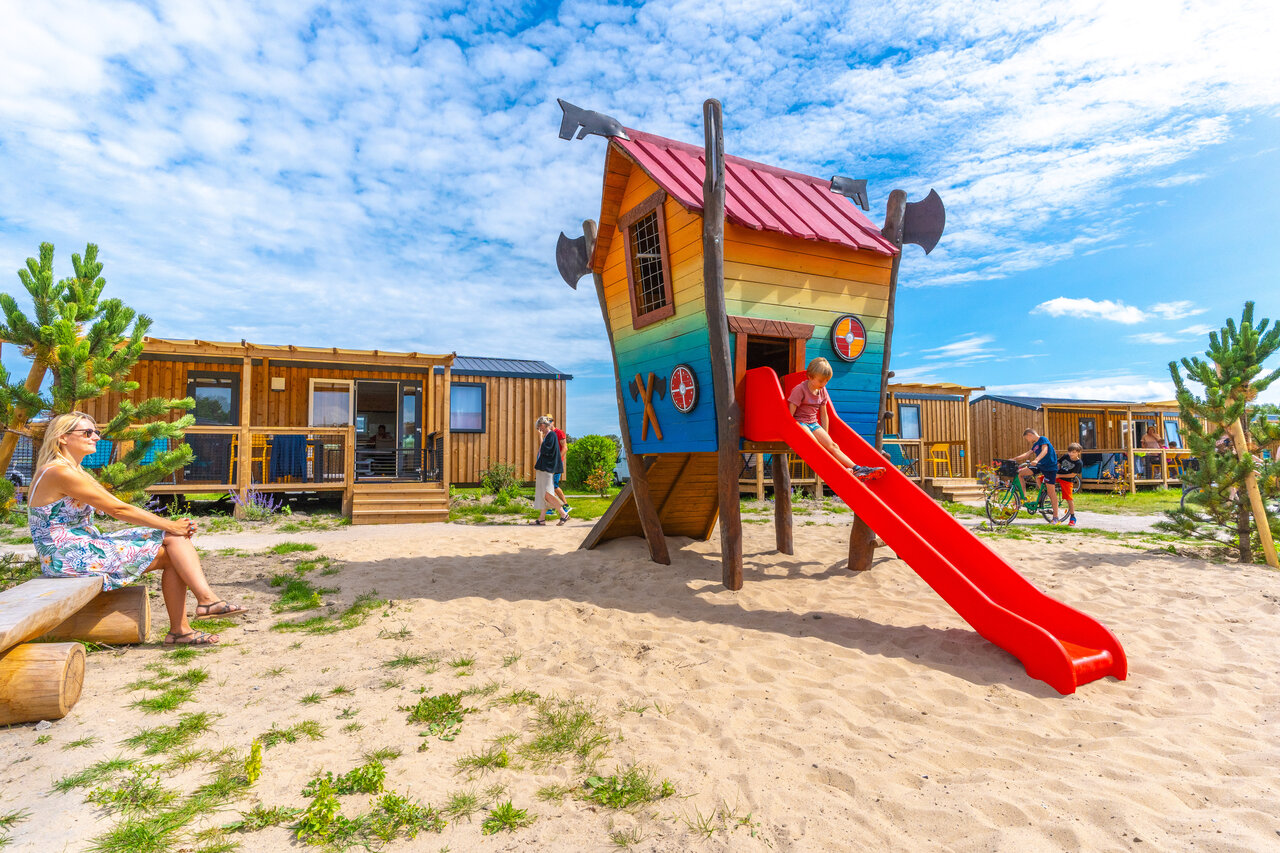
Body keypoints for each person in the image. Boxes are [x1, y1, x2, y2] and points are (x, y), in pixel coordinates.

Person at [28, 412, 247, 646]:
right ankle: (194, 615)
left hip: (81, 546)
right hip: (66, 556)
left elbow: (115, 505)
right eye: (87, 432)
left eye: (96, 432)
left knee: (174, 542)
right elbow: (118, 510)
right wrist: (170, 525)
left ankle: (198, 611)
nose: (96, 438)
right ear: (62, 438)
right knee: (173, 547)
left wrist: (171, 528)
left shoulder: (74, 470)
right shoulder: (58, 471)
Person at [787, 357, 884, 481]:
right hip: (800, 423)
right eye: (821, 381)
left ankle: (857, 468)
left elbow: (824, 414)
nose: (824, 384)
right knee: (815, 446)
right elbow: (790, 415)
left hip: (813, 423)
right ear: (810, 377)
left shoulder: (822, 391)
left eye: (826, 381)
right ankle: (841, 469)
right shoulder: (799, 390)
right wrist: (793, 430)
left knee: (833, 445)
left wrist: (825, 434)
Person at [1012, 428, 1062, 523]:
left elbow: (1045, 450)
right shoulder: (1035, 445)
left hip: (1050, 467)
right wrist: (1014, 459)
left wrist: (1036, 460)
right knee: (1020, 473)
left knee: (1051, 492)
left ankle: (1055, 517)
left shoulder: (1042, 439)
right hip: (1040, 465)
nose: (1028, 441)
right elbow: (1027, 454)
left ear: (1030, 435)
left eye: (1027, 439)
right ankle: (1023, 498)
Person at [532, 416, 570, 526]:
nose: (540, 430)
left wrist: (540, 437)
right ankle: (541, 519)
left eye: (539, 428)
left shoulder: (551, 435)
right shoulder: (549, 435)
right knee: (543, 494)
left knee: (547, 495)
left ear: (543, 425)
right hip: (543, 468)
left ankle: (563, 514)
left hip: (547, 469)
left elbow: (544, 450)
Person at [544, 414, 571, 517]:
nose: (549, 423)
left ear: (553, 422)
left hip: (556, 464)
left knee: (553, 485)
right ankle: (553, 508)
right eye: (547, 422)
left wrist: (557, 460)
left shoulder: (559, 433)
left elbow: (565, 448)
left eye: (550, 421)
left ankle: (565, 505)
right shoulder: (547, 435)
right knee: (550, 487)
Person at [1056, 442, 1085, 527]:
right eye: (1070, 452)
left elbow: (1073, 475)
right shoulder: (1066, 456)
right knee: (1040, 479)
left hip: (1067, 480)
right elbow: (1059, 462)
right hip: (1058, 476)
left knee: (1069, 498)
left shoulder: (1079, 463)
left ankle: (1072, 517)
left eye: (1074, 452)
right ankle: (1044, 497)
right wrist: (1057, 469)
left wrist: (1059, 475)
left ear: (1078, 452)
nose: (1071, 454)